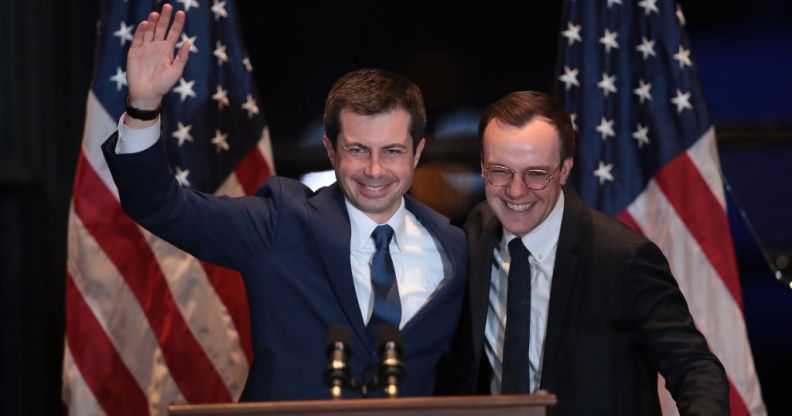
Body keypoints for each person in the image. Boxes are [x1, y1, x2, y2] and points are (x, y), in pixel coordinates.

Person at [102, 5, 466, 401]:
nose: (374, 170)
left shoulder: (454, 248)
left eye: (392, 151)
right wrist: (143, 107)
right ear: (330, 150)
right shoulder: (281, 222)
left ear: (418, 153)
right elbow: (159, 206)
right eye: (358, 149)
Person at [440, 91, 728, 415]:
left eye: (536, 174)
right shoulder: (474, 235)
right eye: (500, 171)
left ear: (564, 170)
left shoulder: (624, 258)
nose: (516, 190)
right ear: (482, 167)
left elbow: (694, 367)